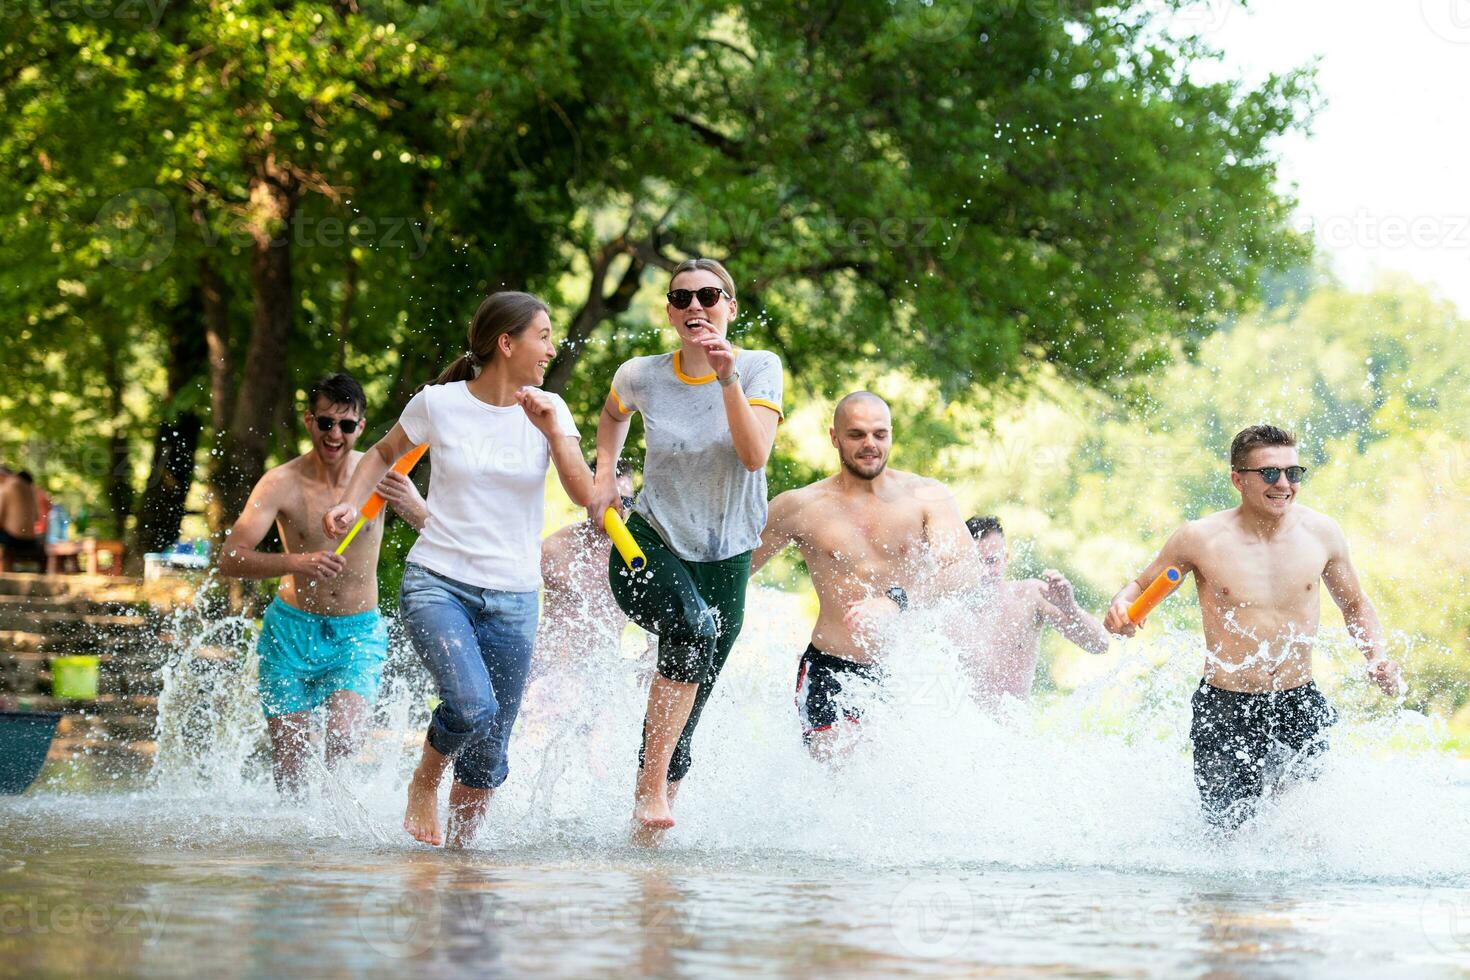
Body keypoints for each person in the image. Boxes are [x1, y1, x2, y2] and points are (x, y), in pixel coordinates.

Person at [325, 291, 593, 848]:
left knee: (491, 747)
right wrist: (351, 501)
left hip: (515, 597)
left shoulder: (551, 410)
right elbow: (379, 453)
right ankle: (423, 784)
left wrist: (550, 431)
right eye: (542, 336)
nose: (550, 348)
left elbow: (582, 492)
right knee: (472, 706)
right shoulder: (440, 403)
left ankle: (459, 858)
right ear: (507, 342)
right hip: (438, 582)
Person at [1103, 424, 1404, 831]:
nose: (1283, 484)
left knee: (1299, 833)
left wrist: (1377, 656)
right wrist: (1122, 607)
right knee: (1230, 839)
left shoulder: (1322, 534)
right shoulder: (1200, 538)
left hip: (1297, 702)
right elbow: (1140, 586)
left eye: (1293, 473)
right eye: (1269, 474)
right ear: (1238, 480)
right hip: (1225, 709)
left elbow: (1354, 603)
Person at [585, 257, 783, 845]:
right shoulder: (642, 373)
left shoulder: (758, 368)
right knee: (693, 631)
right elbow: (611, 414)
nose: (695, 306)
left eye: (708, 295)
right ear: (670, 312)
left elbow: (754, 456)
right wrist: (603, 478)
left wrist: (727, 378)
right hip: (650, 540)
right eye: (681, 298)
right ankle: (649, 790)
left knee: (690, 708)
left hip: (726, 555)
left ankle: (647, 847)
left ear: (731, 306)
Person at [219, 373, 427, 796]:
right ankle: (295, 853)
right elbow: (230, 557)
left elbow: (437, 532)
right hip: (290, 633)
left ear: (361, 427)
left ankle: (334, 854)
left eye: (346, 425)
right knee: (291, 763)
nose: (335, 434)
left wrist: (412, 503)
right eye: (326, 422)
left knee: (344, 741)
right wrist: (296, 562)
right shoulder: (281, 482)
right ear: (308, 421)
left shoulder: (380, 474)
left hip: (357, 632)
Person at [751, 392, 976, 760]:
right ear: (834, 437)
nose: (870, 444)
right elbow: (733, 571)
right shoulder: (800, 506)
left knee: (903, 779)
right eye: (856, 434)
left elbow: (966, 570)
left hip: (906, 671)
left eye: (879, 434)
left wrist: (895, 600)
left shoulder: (926, 496)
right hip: (830, 669)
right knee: (842, 779)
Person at [961, 515, 1108, 703]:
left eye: (991, 561)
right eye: (976, 562)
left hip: (1011, 728)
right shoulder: (949, 609)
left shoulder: (1030, 596)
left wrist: (1070, 608)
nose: (984, 572)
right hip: (962, 727)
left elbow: (1100, 645)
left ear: (1005, 559)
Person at [537, 459, 637, 664]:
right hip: (549, 669)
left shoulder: (636, 561)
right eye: (609, 500)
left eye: (625, 502)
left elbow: (662, 627)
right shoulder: (556, 548)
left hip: (601, 674)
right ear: (589, 498)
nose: (619, 509)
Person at [0, 465, 45, 572]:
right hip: (31, 540)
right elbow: (36, 518)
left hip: (13, 540)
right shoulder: (30, 488)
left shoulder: (7, 486)